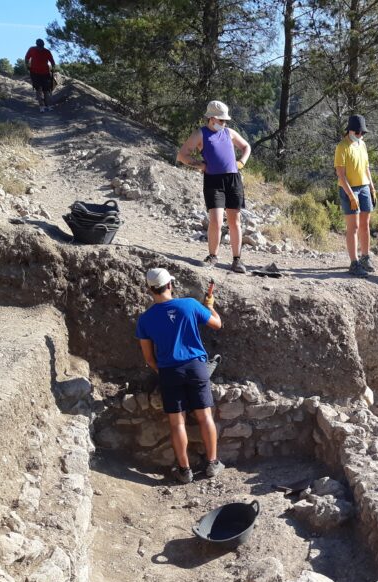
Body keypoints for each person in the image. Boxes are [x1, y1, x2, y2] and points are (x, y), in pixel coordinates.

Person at [136, 268, 224, 484]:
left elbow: (148, 357)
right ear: (170, 285)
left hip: (169, 371)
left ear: (150, 289)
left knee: (177, 423)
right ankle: (212, 464)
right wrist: (210, 304)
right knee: (205, 417)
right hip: (196, 367)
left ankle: (184, 471)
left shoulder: (145, 320)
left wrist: (163, 371)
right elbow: (217, 324)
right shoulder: (190, 305)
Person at [177, 100, 251, 274]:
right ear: (211, 119)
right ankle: (213, 256)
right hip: (213, 181)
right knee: (216, 220)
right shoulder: (200, 134)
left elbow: (246, 146)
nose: (224, 123)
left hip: (233, 179)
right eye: (221, 120)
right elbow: (182, 155)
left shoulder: (229, 132)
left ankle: (237, 259)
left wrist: (241, 162)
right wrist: (199, 165)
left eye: (225, 121)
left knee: (235, 221)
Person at [334, 114, 377, 277]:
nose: (360, 135)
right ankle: (354, 262)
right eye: (358, 132)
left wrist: (372, 188)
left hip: (364, 186)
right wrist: (351, 196)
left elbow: (366, 168)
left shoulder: (362, 145)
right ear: (350, 130)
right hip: (349, 189)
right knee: (354, 227)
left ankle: (365, 257)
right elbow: (341, 175)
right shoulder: (342, 147)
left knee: (365, 225)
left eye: (362, 133)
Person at [24, 39, 56, 113]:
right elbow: (27, 57)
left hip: (45, 73)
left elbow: (52, 61)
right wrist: (27, 66)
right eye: (39, 46)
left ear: (43, 45)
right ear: (36, 45)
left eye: (41, 46)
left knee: (46, 90)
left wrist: (53, 69)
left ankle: (48, 105)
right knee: (38, 90)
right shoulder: (32, 49)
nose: (40, 48)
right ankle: (41, 106)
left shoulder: (47, 51)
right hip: (34, 73)